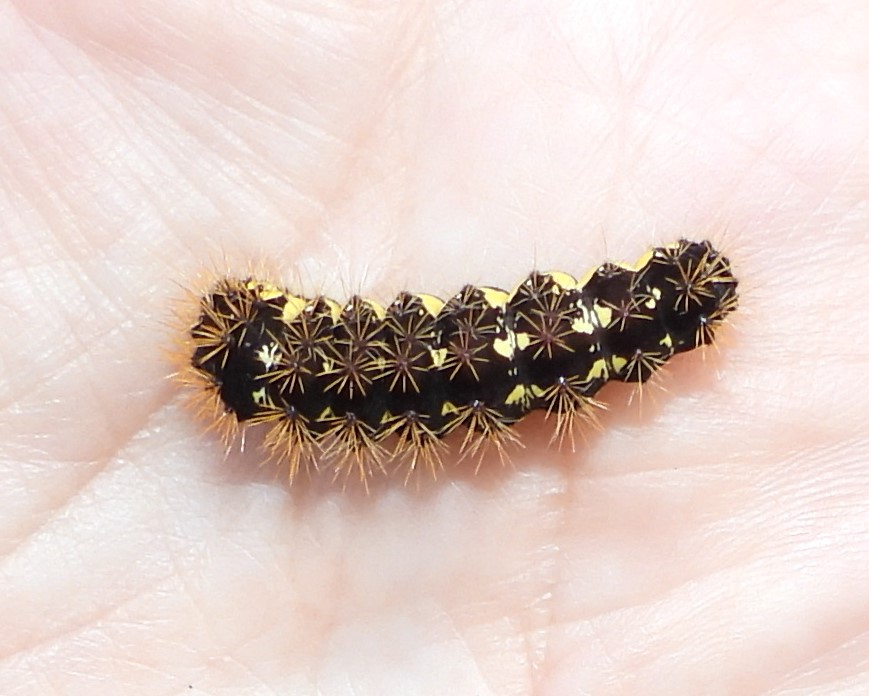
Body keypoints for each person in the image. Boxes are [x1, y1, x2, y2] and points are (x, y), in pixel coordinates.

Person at [1, 1, 867, 693]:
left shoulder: (309, 379)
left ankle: (659, 308)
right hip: (591, 335)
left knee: (495, 351)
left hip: (589, 335)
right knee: (492, 352)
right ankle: (658, 309)